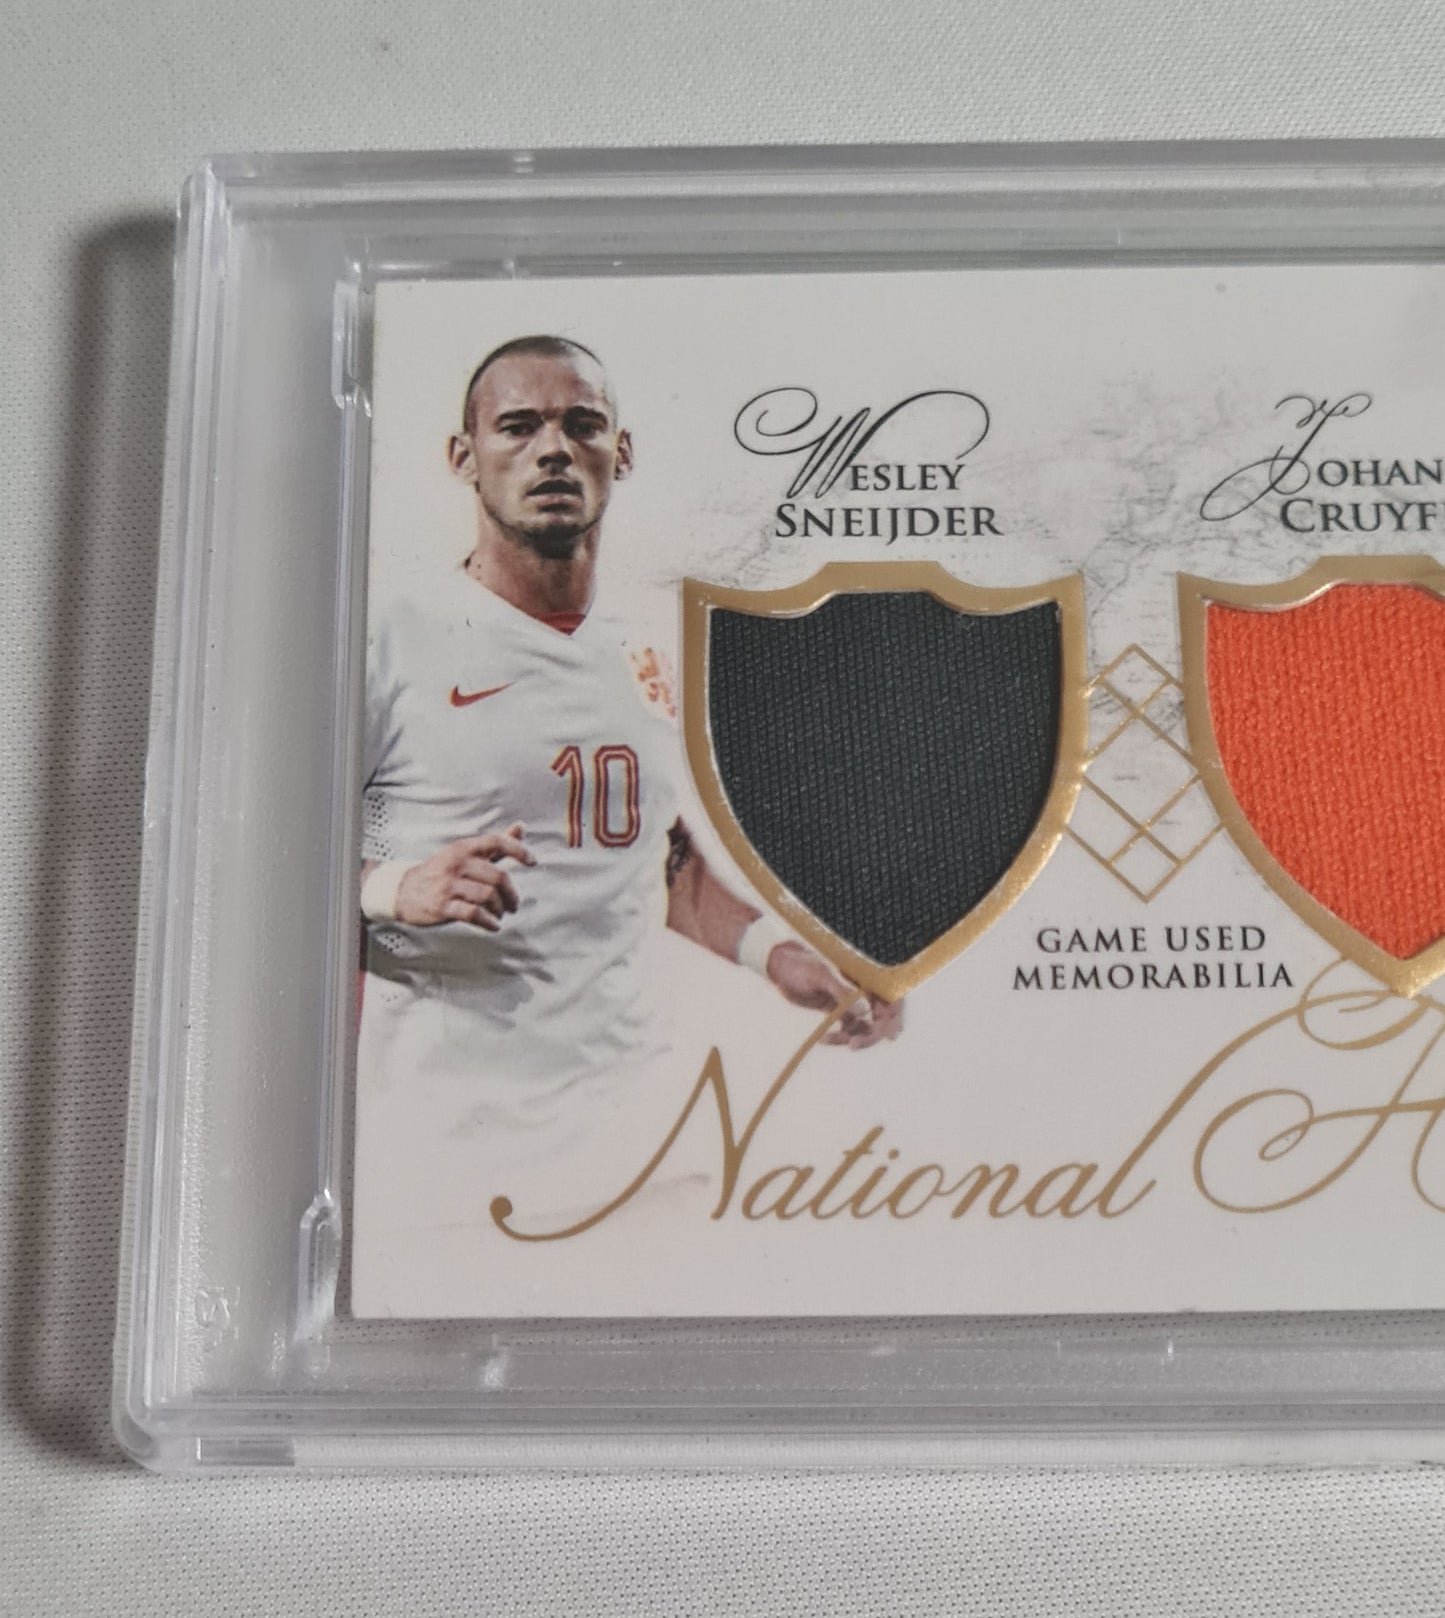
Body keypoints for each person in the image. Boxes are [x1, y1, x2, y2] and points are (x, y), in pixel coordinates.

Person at [353, 336, 899, 1277]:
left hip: (647, 1136)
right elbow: (264, 870)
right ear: (462, 457)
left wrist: (775, 954)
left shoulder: (645, 641)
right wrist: (397, 887)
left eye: (582, 425)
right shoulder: (390, 637)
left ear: (623, 452)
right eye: (518, 427)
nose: (552, 450)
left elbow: (657, 856)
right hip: (447, 1149)